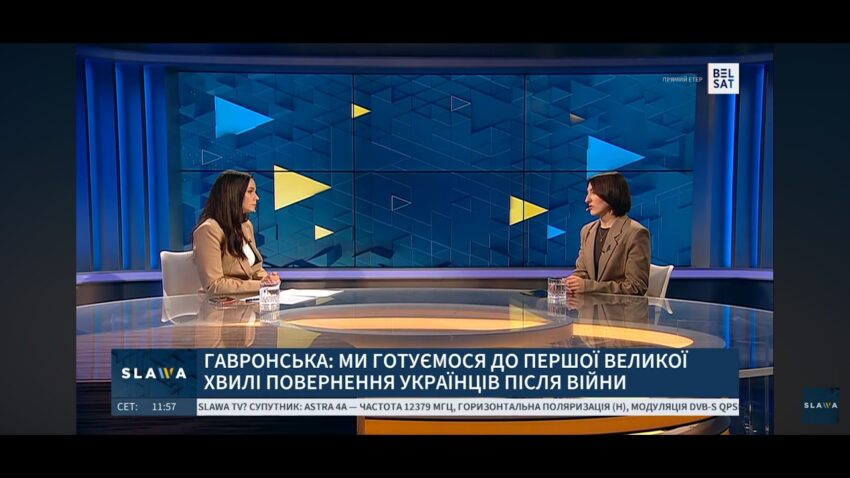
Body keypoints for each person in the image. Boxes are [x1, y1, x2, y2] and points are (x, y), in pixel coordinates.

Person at [193, 170, 280, 295]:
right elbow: (214, 285)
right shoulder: (209, 230)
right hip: (220, 304)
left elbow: (255, 270)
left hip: (248, 301)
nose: (257, 197)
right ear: (233, 195)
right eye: (250, 192)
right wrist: (261, 285)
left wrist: (268, 280)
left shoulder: (246, 226)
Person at [565, 172, 650, 296]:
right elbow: (582, 272)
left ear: (611, 194)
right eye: (587, 193)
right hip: (590, 306)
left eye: (593, 192)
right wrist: (570, 283)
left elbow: (636, 287)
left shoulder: (635, 233)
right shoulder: (587, 231)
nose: (587, 199)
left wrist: (589, 287)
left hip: (620, 307)